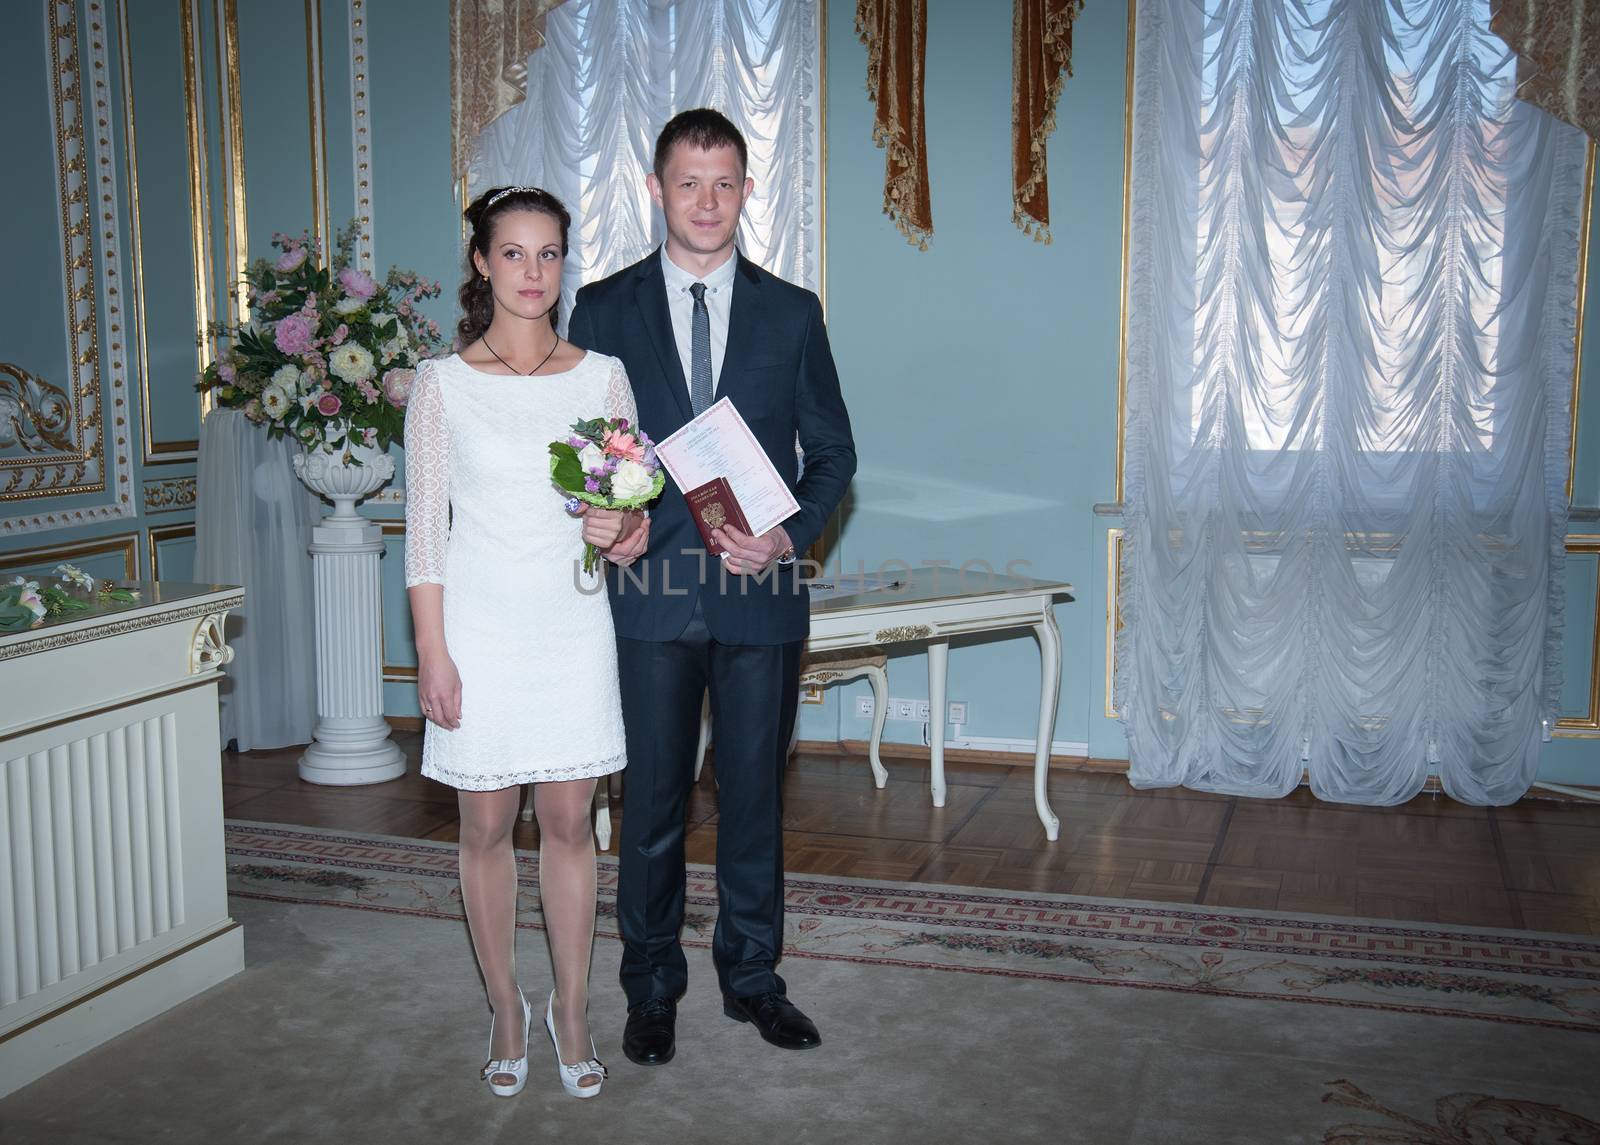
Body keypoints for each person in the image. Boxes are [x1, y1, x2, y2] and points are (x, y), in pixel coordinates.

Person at [567, 108, 856, 1065]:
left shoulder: (791, 310)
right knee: (650, 804)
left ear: (745, 191)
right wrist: (607, 512)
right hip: (650, 594)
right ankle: (651, 988)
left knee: (753, 804)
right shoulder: (603, 309)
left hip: (760, 599)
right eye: (688, 182)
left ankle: (753, 979)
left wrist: (786, 534)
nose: (706, 201)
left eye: (724, 182)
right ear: (657, 189)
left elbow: (835, 451)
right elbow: (584, 448)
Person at [403, 186, 647, 1099]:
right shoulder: (442, 383)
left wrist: (617, 528)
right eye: (514, 254)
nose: (534, 273)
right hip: (477, 628)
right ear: (482, 263)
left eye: (549, 254)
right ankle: (506, 1003)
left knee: (569, 823)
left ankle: (573, 1009)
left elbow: (630, 523)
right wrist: (433, 652)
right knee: (487, 823)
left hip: (571, 627)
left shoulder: (603, 377)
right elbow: (426, 533)